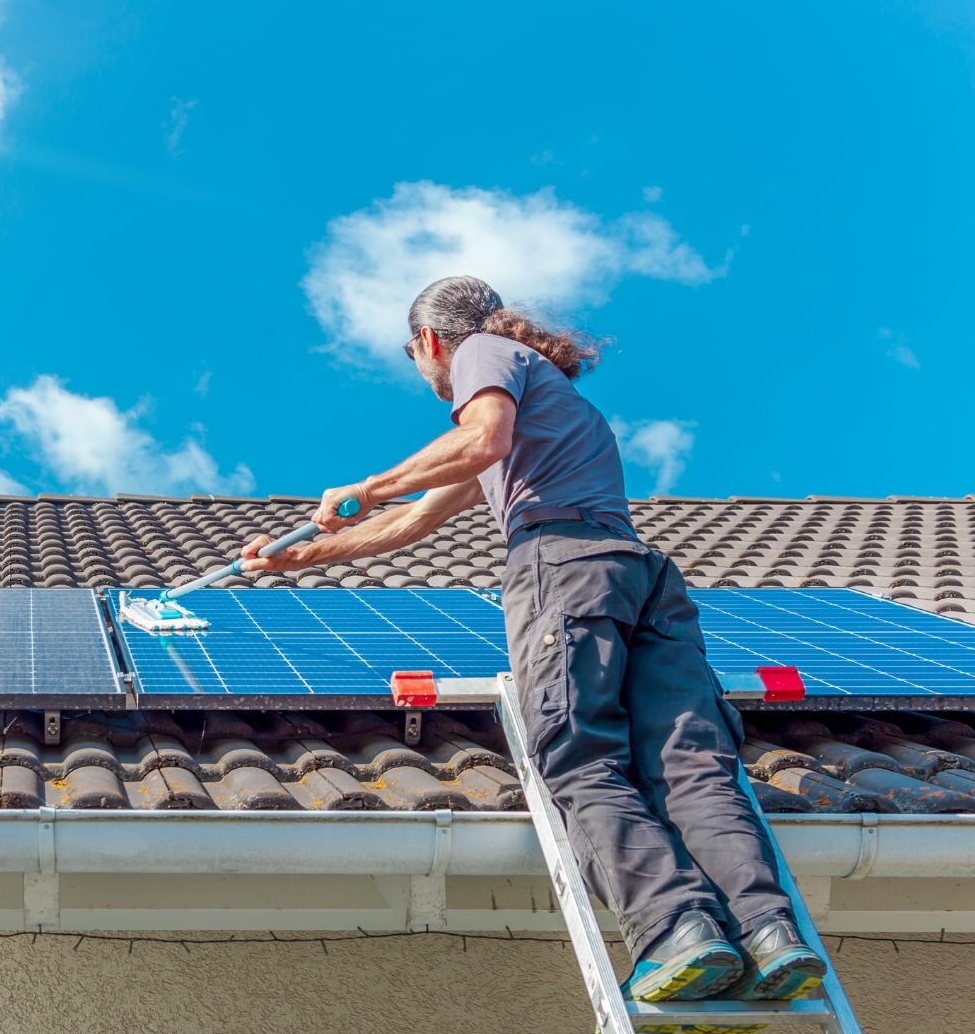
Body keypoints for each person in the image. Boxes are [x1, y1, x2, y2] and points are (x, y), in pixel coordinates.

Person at [238, 276, 826, 1009]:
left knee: (579, 756)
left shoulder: (484, 354)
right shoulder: (554, 398)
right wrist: (296, 559)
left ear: (429, 342)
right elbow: (416, 520)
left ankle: (677, 931)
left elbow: (479, 438)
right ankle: (769, 932)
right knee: (691, 766)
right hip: (640, 576)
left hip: (565, 567)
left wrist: (367, 483)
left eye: (419, 360)